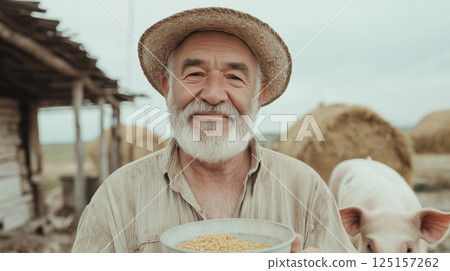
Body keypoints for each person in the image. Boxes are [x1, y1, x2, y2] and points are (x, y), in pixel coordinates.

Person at [72, 7, 356, 253]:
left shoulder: (306, 190)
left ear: (259, 97)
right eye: (195, 74)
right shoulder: (116, 197)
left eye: (234, 77)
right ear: (167, 88)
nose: (213, 94)